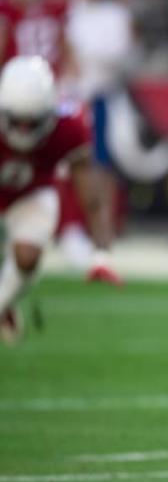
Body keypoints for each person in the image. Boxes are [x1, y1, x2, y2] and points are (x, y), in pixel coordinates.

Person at [0, 56, 119, 345]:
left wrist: (100, 254)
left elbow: (91, 194)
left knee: (28, 256)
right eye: (18, 122)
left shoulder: (70, 126)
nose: (24, 131)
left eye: (33, 123)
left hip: (32, 192)